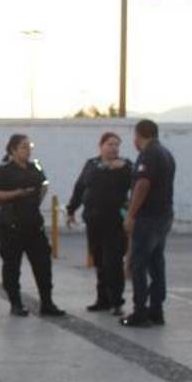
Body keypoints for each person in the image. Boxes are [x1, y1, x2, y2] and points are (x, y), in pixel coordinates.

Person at [0, 134, 65, 317]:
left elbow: (43, 186)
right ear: (13, 150)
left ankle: (47, 303)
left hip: (33, 225)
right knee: (12, 267)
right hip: (11, 227)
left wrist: (35, 199)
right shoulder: (3, 171)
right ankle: (15, 303)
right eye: (23, 147)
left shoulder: (34, 167)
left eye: (29, 146)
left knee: (43, 266)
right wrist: (16, 194)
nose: (28, 150)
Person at [66, 132, 133, 317]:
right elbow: (80, 187)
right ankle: (102, 299)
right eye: (110, 144)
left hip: (114, 221)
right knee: (99, 260)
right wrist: (72, 209)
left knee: (113, 261)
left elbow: (136, 185)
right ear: (101, 146)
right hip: (94, 219)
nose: (114, 148)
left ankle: (116, 301)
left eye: (116, 145)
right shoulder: (92, 164)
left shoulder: (126, 166)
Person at [121, 119, 176, 328]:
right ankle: (156, 310)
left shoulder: (149, 154)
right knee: (156, 263)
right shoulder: (166, 153)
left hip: (148, 218)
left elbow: (143, 184)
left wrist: (131, 214)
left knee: (138, 264)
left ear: (138, 135)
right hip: (163, 216)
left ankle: (140, 312)